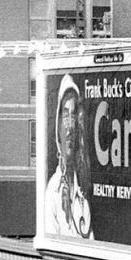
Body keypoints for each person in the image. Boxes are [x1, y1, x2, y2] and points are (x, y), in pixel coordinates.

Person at [44, 74, 94, 239]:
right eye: (65, 115)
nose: (70, 126)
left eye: (73, 115)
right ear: (57, 127)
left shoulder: (82, 195)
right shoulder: (52, 193)